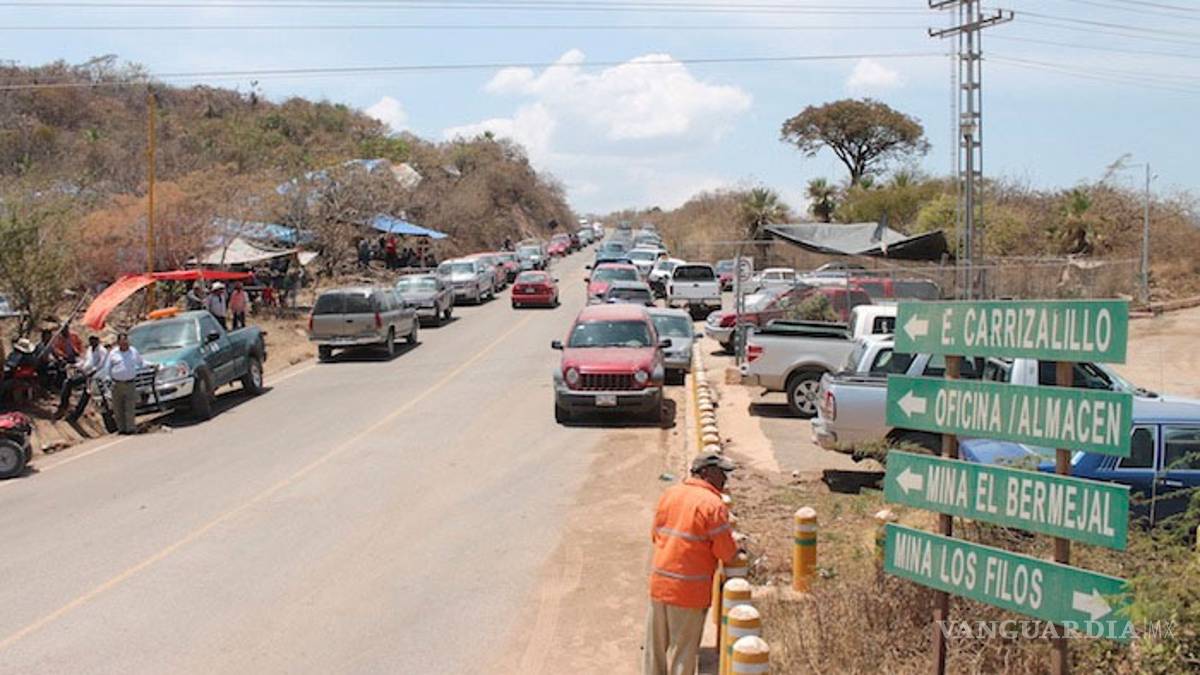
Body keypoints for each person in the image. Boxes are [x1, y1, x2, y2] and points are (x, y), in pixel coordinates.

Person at [644, 452, 739, 675]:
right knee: (683, 653)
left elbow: (656, 535)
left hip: (660, 585)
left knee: (655, 651)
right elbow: (726, 553)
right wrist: (737, 546)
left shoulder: (670, 494)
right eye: (721, 473)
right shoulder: (713, 505)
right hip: (689, 592)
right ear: (706, 473)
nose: (725, 479)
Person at [55, 334, 108, 422]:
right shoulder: (90, 349)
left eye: (94, 339)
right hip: (85, 373)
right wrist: (75, 365)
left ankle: (74, 416)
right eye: (90, 339)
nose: (92, 341)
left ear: (97, 340)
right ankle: (63, 406)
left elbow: (101, 365)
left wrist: (92, 372)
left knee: (86, 395)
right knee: (68, 382)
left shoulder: (102, 351)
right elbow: (85, 361)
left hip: (95, 377)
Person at [105, 331, 144, 435]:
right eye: (122, 342)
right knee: (118, 408)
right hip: (116, 384)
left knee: (130, 407)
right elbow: (107, 368)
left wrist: (153, 365)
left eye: (126, 341)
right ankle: (121, 429)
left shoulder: (133, 351)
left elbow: (141, 363)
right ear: (118, 343)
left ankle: (130, 428)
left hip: (130, 383)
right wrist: (108, 379)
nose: (124, 344)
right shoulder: (113, 353)